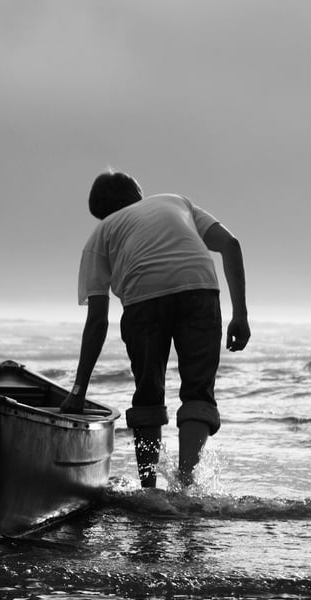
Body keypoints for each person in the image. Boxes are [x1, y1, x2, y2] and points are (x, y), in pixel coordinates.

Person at [60, 170, 250, 488]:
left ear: (100, 213)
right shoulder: (175, 202)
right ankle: (186, 485)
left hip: (143, 299)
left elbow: (96, 322)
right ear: (138, 195)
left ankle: (149, 489)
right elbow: (230, 244)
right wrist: (240, 315)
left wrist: (78, 392)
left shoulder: (101, 234)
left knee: (148, 394)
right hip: (199, 288)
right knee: (198, 392)